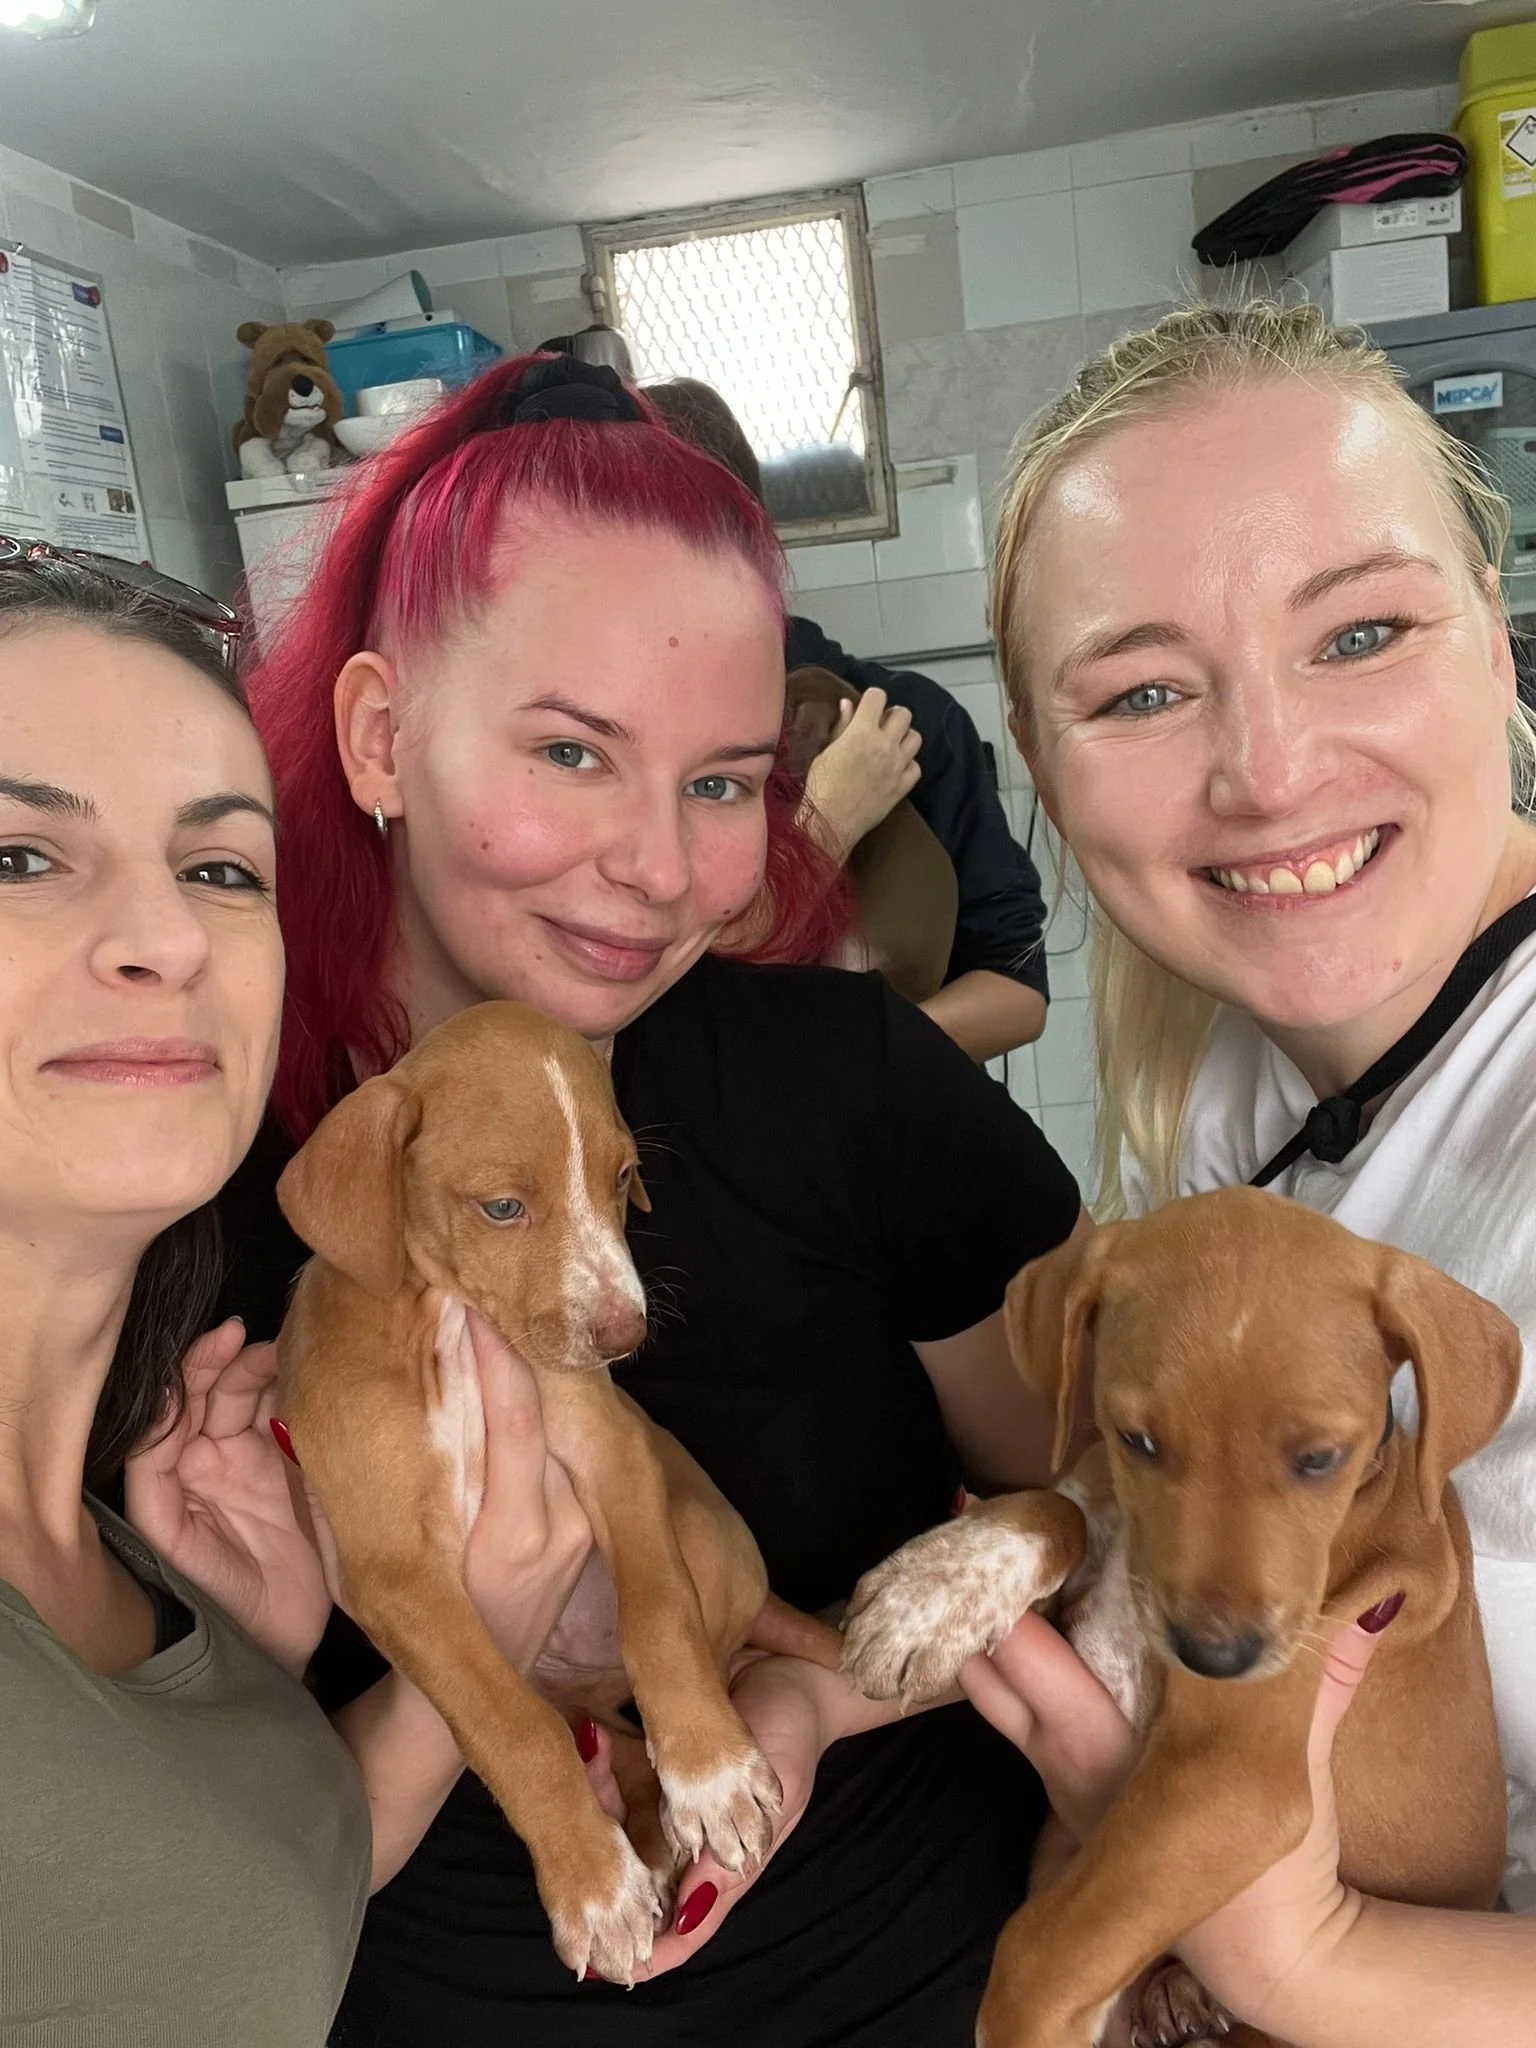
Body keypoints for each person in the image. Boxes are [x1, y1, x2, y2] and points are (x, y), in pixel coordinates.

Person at [216, 350, 1084, 2048]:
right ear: (383, 736)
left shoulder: (851, 1082)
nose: (666, 869)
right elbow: (202, 1889)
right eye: (570, 750)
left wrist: (814, 1690)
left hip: (927, 1985)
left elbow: (1103, 1507)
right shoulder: (218, 1177)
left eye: (721, 780)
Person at [974, 299, 1536, 2042]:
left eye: (1359, 629)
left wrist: (1309, 1958)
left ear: (1503, 656)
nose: (1270, 770)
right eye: (1143, 688)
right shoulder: (1237, 1086)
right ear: (1049, 789)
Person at [0, 547, 370, 2043]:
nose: (164, 939)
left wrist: (250, 1693)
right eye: (18, 858)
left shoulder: (116, 1553)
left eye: (220, 869)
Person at [644, 375, 1050, 1061]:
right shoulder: (626, 752)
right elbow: (655, 1002)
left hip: (896, 1136)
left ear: (751, 545)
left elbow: (1016, 991)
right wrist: (826, 822)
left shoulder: (910, 725)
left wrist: (848, 1064)